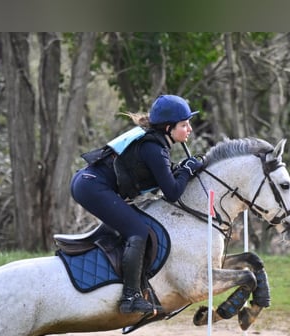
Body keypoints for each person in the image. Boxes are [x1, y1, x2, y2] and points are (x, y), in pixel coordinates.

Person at [71, 94, 205, 316]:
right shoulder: (154, 147)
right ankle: (130, 297)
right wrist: (188, 170)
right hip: (92, 186)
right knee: (138, 231)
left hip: (87, 182)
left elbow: (164, 178)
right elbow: (172, 192)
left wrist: (182, 170)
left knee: (133, 225)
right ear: (168, 127)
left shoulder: (155, 141)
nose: (189, 128)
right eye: (184, 124)